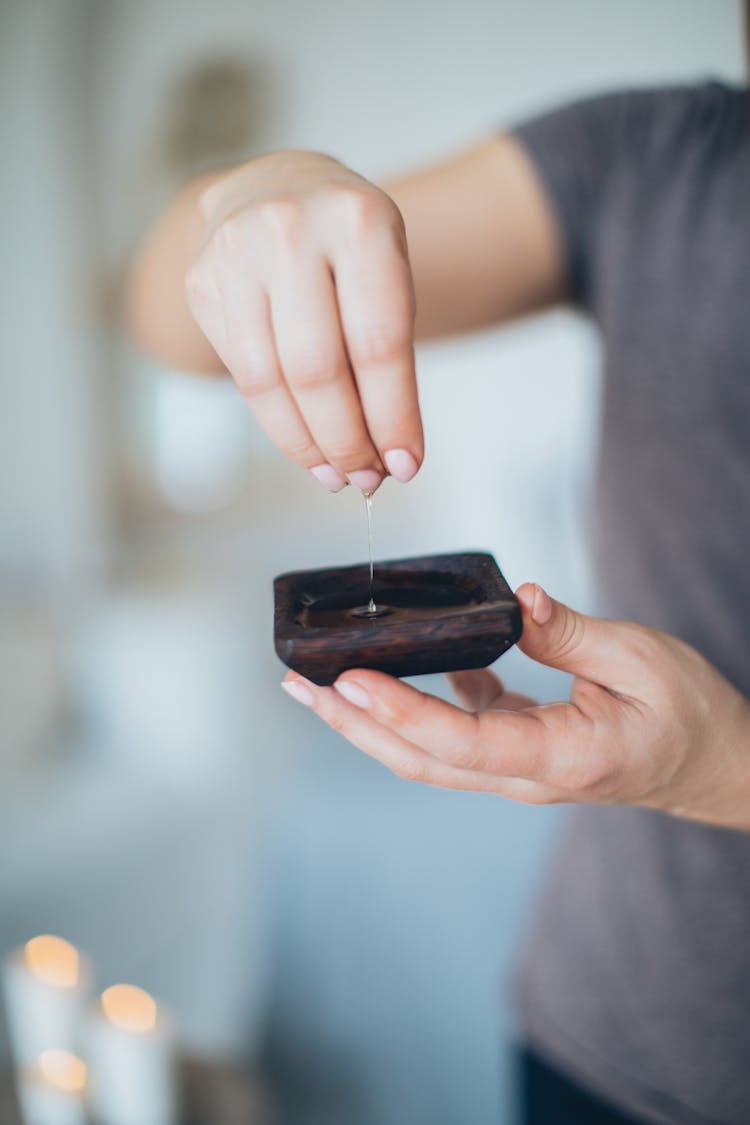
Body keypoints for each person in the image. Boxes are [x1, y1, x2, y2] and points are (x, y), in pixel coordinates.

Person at [129, 19, 750, 1124]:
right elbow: (161, 322)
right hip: (601, 1036)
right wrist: (256, 195)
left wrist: (724, 770)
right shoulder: (673, 154)